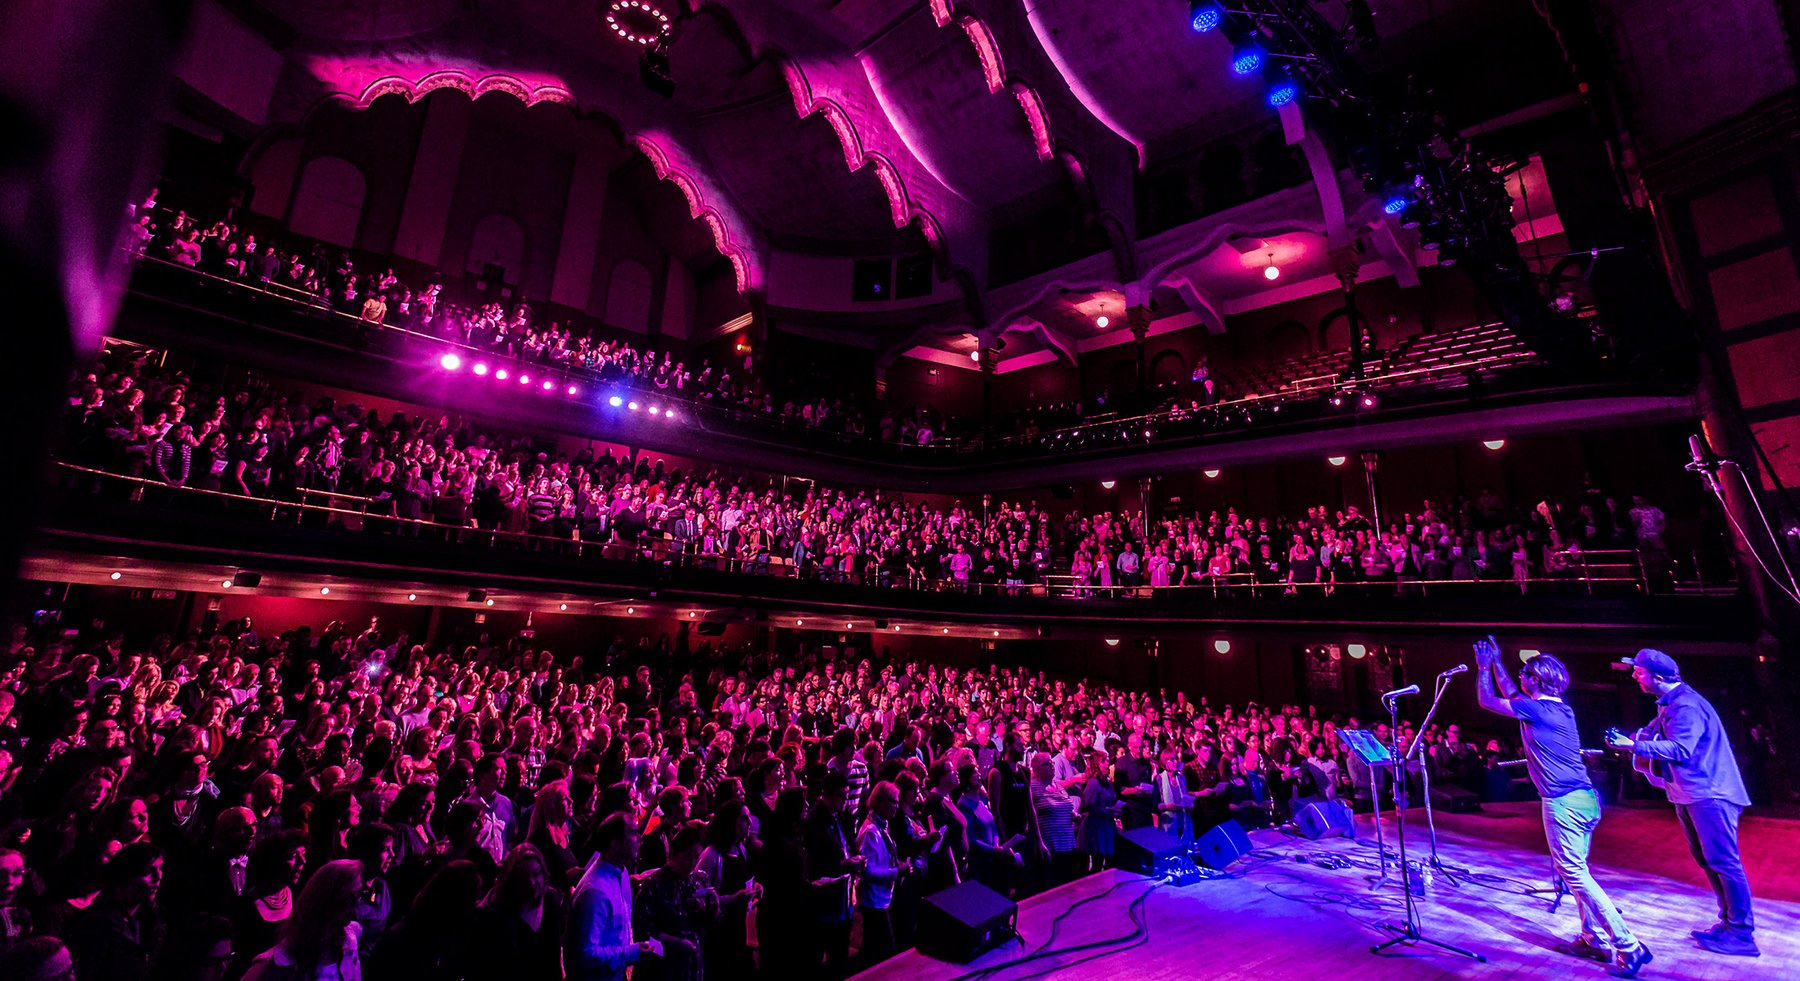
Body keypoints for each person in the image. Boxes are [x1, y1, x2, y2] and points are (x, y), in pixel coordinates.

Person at [1474, 637, 1649, 978]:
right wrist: (1498, 663)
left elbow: (1488, 699)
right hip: (1585, 799)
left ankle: (1628, 945)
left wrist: (1483, 667)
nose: (1520, 675)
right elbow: (1513, 693)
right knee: (1577, 870)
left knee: (1574, 874)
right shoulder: (1558, 708)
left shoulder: (1536, 709)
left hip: (1563, 803)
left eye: (1525, 672)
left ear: (1536, 681)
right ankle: (1591, 938)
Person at [1606, 649, 1757, 958]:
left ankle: (1742, 934)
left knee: (1724, 863)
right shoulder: (1670, 704)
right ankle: (1729, 924)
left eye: (1639, 672)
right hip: (1692, 794)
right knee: (1709, 861)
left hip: (1710, 793)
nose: (1634, 675)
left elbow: (1680, 748)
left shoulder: (1686, 706)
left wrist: (1633, 745)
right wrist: (1633, 738)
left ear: (1658, 678)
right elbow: (1655, 735)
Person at [240, 858, 363, 981]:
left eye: (358, 894)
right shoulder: (275, 964)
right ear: (327, 899)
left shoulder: (351, 939)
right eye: (350, 896)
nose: (356, 903)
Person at [567, 814, 657, 981]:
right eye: (633, 833)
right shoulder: (595, 892)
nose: (639, 838)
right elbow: (584, 955)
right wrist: (631, 952)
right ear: (615, 843)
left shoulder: (621, 872)